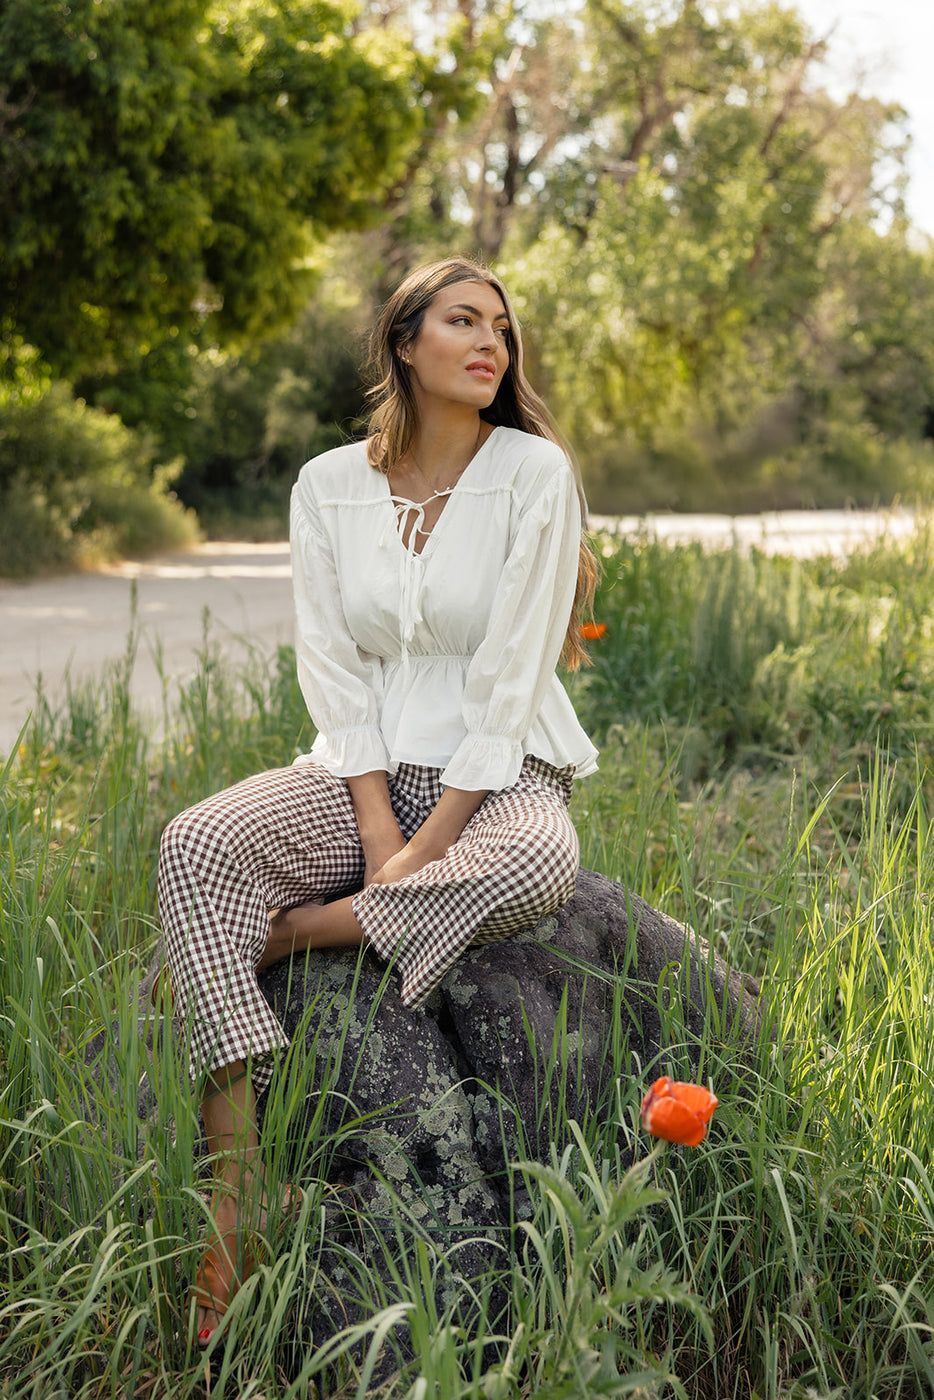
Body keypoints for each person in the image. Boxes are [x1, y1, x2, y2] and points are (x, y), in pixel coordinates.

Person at [156, 256, 599, 1348]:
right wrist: (373, 826)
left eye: (501, 324)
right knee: (199, 840)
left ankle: (295, 931)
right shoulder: (326, 484)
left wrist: (423, 843)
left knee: (536, 862)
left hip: (499, 776)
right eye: (462, 320)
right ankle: (238, 1181)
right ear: (405, 341)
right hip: (355, 768)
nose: (491, 340)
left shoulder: (532, 474)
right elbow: (332, 662)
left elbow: (508, 679)